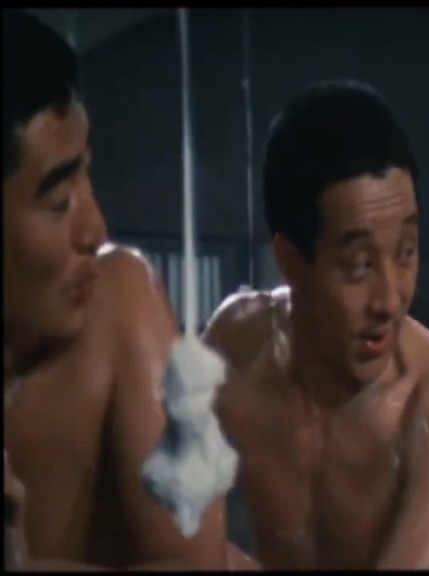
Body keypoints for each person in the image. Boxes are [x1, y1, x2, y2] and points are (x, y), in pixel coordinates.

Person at [203, 80, 429, 569]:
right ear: (291, 262)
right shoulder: (235, 347)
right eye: (360, 265)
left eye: (406, 253)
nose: (391, 299)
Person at [2, 10, 231, 569]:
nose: (95, 229)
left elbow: (196, 565)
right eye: (60, 201)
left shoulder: (122, 303)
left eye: (87, 173)